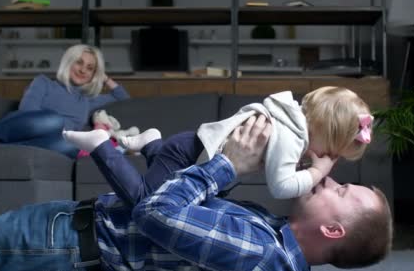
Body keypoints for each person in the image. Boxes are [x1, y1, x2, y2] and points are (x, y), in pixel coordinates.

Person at [0, 115, 393, 271]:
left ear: (333, 233)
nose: (332, 184)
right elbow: (185, 198)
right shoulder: (268, 230)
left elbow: (155, 213)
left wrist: (228, 164)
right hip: (68, 230)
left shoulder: (257, 256)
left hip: (59, 248)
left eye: (343, 193)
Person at [64, 87, 373, 202]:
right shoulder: (290, 138)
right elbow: (281, 186)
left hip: (188, 149)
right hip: (189, 154)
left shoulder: (288, 117)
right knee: (144, 198)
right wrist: (318, 171)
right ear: (323, 134)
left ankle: (151, 143)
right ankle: (101, 143)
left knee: (170, 180)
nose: (327, 159)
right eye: (331, 151)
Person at [0, 44, 130, 158]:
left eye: (90, 68)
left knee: (73, 143)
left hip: (55, 142)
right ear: (68, 62)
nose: (82, 70)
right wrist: (55, 124)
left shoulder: (88, 99)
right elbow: (27, 110)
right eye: (79, 62)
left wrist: (104, 78)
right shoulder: (44, 83)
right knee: (54, 120)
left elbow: (123, 98)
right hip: (32, 127)